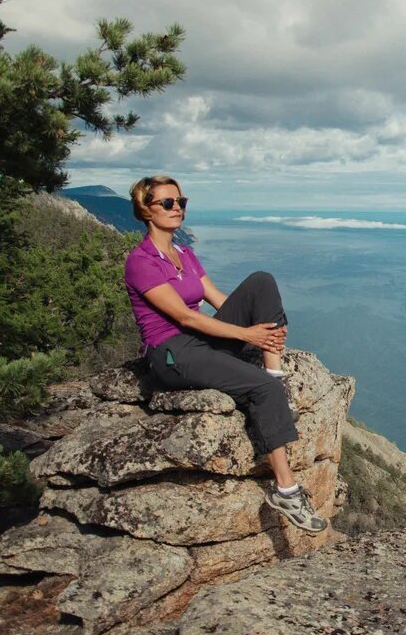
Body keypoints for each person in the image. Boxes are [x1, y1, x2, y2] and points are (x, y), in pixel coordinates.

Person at [123, 174, 326, 533]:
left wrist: (266, 327)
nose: (177, 209)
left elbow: (218, 301)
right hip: (172, 353)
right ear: (146, 210)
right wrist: (247, 334)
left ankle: (275, 374)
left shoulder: (184, 253)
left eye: (181, 202)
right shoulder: (141, 261)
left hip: (200, 341)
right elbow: (184, 316)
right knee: (262, 388)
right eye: (167, 203)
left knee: (261, 281)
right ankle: (286, 490)